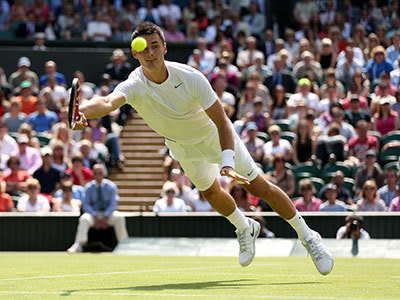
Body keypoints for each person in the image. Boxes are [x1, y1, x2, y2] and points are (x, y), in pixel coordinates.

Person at [73, 22, 333, 274]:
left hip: (213, 136)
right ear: (135, 52)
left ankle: (308, 237)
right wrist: (78, 111)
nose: (150, 53)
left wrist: (227, 160)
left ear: (164, 48)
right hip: (182, 147)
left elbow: (222, 121)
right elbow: (107, 102)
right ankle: (244, 227)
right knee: (211, 193)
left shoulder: (190, 77)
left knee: (258, 186)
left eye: (155, 46)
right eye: (144, 47)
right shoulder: (134, 83)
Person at [67, 164, 128, 253]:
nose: (98, 175)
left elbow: (113, 204)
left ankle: (124, 245)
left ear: (104, 174)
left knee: (119, 217)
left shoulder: (111, 186)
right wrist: (95, 216)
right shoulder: (88, 187)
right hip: (94, 215)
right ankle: (79, 245)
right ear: (93, 175)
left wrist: (105, 217)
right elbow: (86, 205)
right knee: (84, 219)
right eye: (96, 173)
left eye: (100, 173)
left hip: (108, 215)